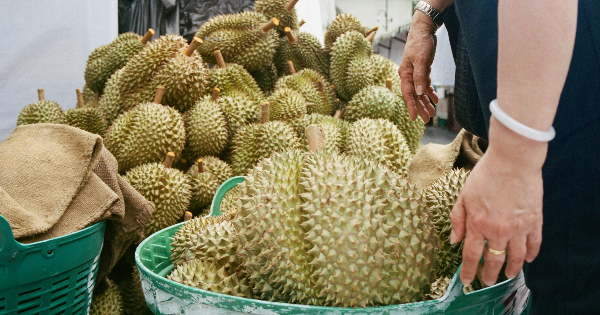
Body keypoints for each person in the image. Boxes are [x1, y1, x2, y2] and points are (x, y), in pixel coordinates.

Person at [399, 0, 600, 313]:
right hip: (538, 80)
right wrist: (426, 16)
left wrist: (514, 153)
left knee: (572, 281)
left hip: (565, 75)